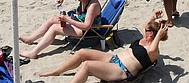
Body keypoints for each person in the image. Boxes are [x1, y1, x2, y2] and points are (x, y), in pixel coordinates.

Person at [38, 11, 169, 82]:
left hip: (121, 71)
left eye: (147, 30)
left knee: (87, 65)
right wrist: (153, 18)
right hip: (114, 59)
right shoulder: (144, 39)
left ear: (151, 34)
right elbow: (145, 26)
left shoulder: (153, 51)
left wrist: (160, 34)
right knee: (83, 52)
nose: (144, 30)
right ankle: (56, 71)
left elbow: (152, 49)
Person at [19, 0, 102, 59]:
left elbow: (86, 26)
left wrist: (68, 20)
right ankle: (30, 39)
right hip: (78, 21)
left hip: (88, 32)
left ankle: (33, 53)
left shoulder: (92, 5)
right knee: (52, 20)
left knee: (54, 29)